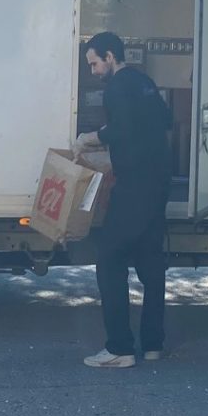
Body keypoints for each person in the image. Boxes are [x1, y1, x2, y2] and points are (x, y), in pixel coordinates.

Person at [76, 31, 172, 368]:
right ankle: (154, 344)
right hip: (158, 186)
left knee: (109, 262)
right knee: (151, 264)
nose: (93, 71)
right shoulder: (145, 82)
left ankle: (119, 348)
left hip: (133, 187)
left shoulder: (117, 87)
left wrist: (91, 137)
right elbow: (165, 120)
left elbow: (123, 128)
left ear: (109, 56)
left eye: (94, 64)